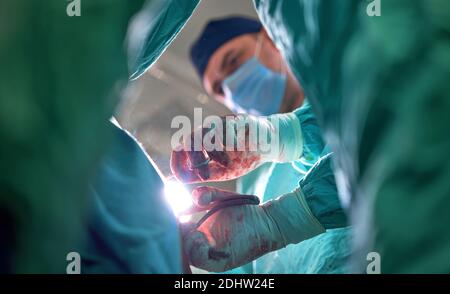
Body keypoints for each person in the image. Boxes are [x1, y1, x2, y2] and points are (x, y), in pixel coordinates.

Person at [186, 16, 350, 273]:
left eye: (233, 61)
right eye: (220, 88)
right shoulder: (249, 184)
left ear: (272, 39)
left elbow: (379, 156)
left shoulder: (344, 84)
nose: (232, 87)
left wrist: (281, 221)